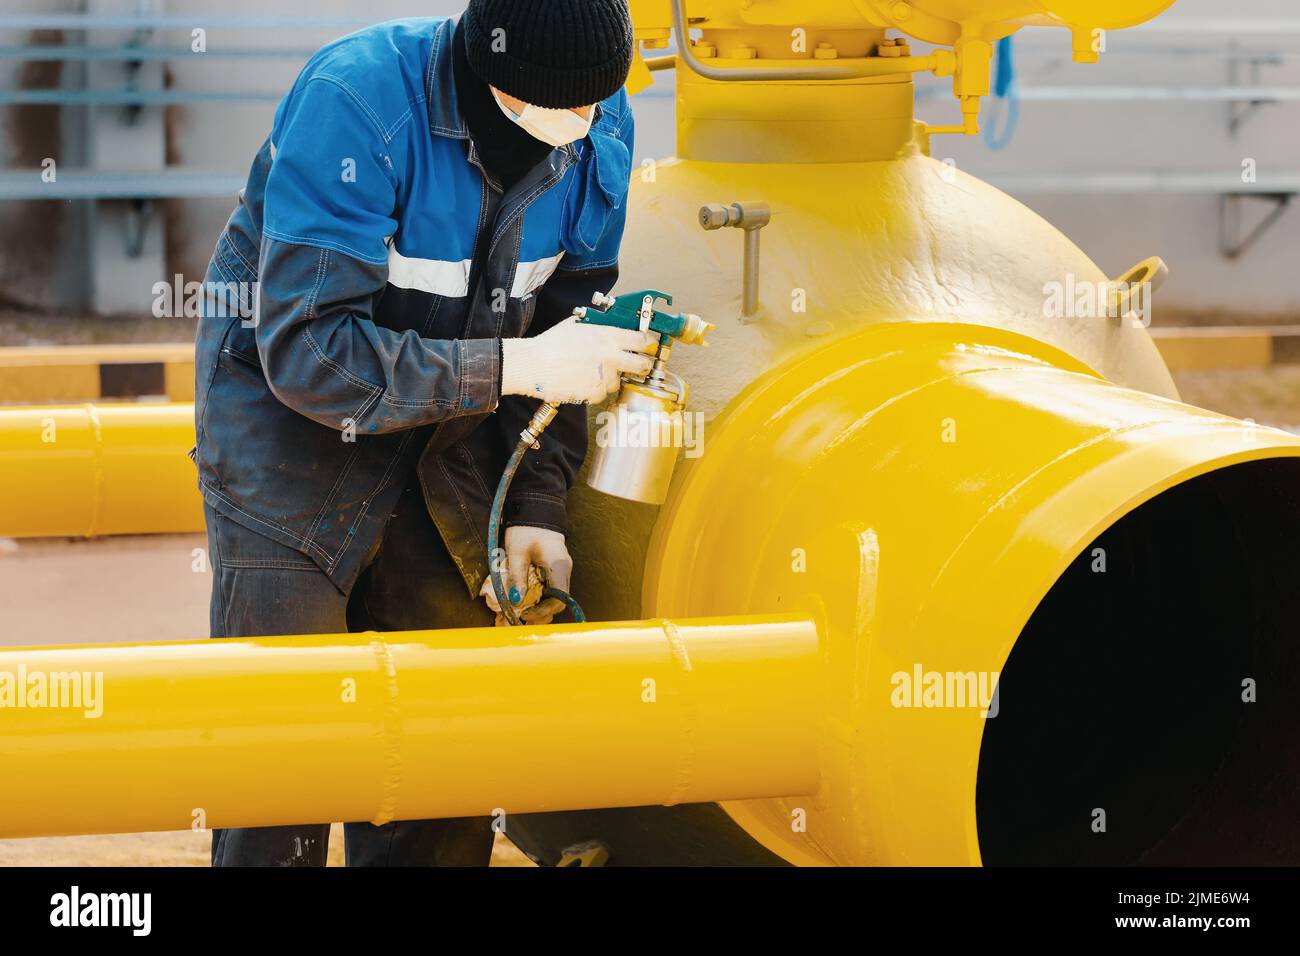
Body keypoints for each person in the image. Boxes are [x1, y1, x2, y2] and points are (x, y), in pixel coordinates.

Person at [192, 0, 650, 866]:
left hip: (454, 432)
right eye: (567, 107)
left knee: (440, 754)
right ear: (491, 73)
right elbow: (311, 352)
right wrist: (515, 370)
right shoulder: (359, 101)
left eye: (601, 103)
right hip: (286, 435)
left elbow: (563, 320)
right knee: (287, 754)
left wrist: (534, 508)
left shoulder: (594, 112)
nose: (586, 127)